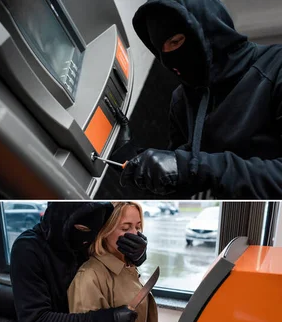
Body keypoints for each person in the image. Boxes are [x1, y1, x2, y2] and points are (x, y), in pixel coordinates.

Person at [120, 0, 282, 199]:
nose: (169, 57)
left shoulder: (276, 67)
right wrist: (130, 160)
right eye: (161, 50)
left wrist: (196, 167)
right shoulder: (182, 100)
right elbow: (179, 184)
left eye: (175, 41)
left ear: (208, 28)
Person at [10, 202, 148, 322]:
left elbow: (108, 257)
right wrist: (105, 319)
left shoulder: (86, 240)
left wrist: (137, 256)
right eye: (82, 230)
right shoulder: (28, 250)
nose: (87, 239)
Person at [68, 202, 170, 322]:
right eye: (126, 228)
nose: (134, 234)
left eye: (138, 227)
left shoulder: (128, 268)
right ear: (105, 230)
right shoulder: (89, 277)